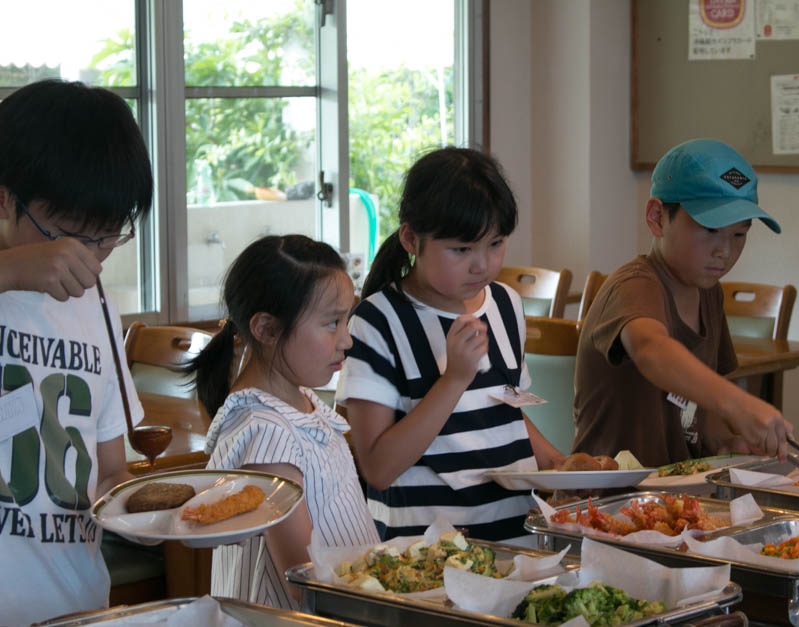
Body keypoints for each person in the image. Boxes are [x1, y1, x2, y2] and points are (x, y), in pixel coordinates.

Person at [338, 147, 566, 543]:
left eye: (495, 243)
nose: (482, 264)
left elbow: (503, 411)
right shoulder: (377, 321)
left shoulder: (507, 305)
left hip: (519, 545)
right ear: (412, 238)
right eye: (461, 249)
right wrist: (454, 379)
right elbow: (378, 468)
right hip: (423, 559)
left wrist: (560, 464)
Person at [0, 80, 153, 624]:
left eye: (108, 238)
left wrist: (154, 513)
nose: (91, 260)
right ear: (5, 199)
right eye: (69, 237)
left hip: (78, 606)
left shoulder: (96, 308)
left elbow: (110, 469)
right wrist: (11, 270)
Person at [572, 138, 793, 468]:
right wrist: (739, 404)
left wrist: (726, 442)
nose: (724, 251)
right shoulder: (634, 284)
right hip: (611, 499)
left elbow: (699, 410)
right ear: (657, 217)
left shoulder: (709, 293)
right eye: (710, 229)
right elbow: (651, 349)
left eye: (739, 235)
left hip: (679, 497)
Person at [187, 234, 378, 609]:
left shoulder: (299, 404)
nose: (347, 341)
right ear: (267, 329)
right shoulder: (266, 434)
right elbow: (302, 581)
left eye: (346, 321)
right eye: (331, 323)